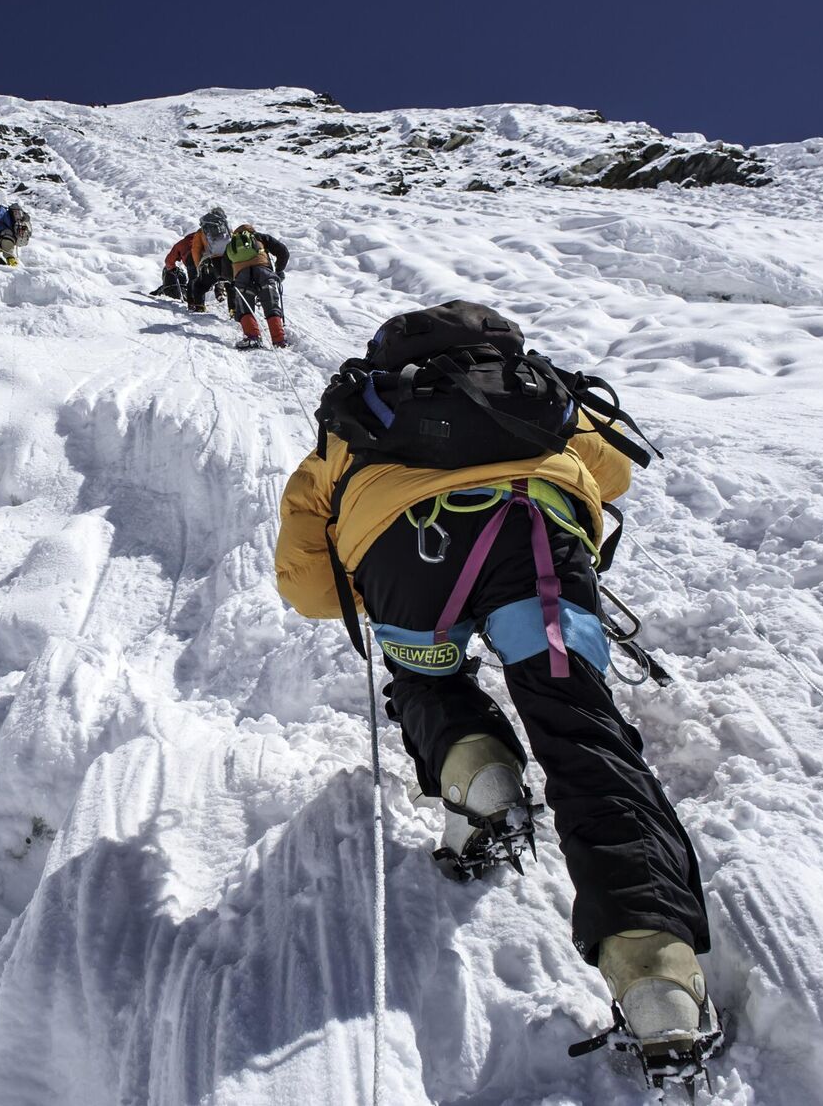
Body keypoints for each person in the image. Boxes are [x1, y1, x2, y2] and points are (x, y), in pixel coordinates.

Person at [273, 300, 715, 1079]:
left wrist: (377, 581)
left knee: (426, 679)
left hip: (406, 554)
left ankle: (477, 774)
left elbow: (309, 583)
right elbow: (611, 473)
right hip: (537, 537)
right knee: (580, 726)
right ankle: (654, 973)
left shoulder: (358, 412)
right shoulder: (530, 385)